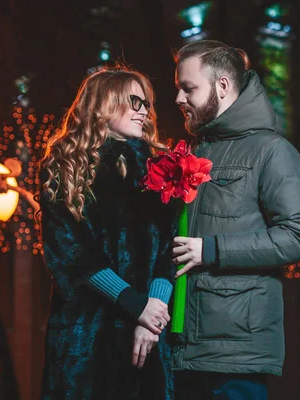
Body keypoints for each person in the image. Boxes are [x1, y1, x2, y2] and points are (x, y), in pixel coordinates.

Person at [170, 40, 300, 399]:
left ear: (222, 86)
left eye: (188, 88)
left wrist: (213, 250)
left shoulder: (271, 151)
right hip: (179, 350)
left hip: (235, 354)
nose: (177, 98)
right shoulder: (188, 152)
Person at [37, 66, 178, 400]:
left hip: (147, 334)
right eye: (133, 100)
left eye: (146, 102)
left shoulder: (160, 169)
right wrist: (135, 304)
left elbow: (169, 247)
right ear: (103, 103)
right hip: (87, 334)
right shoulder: (63, 166)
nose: (143, 109)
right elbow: (73, 255)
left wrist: (152, 312)